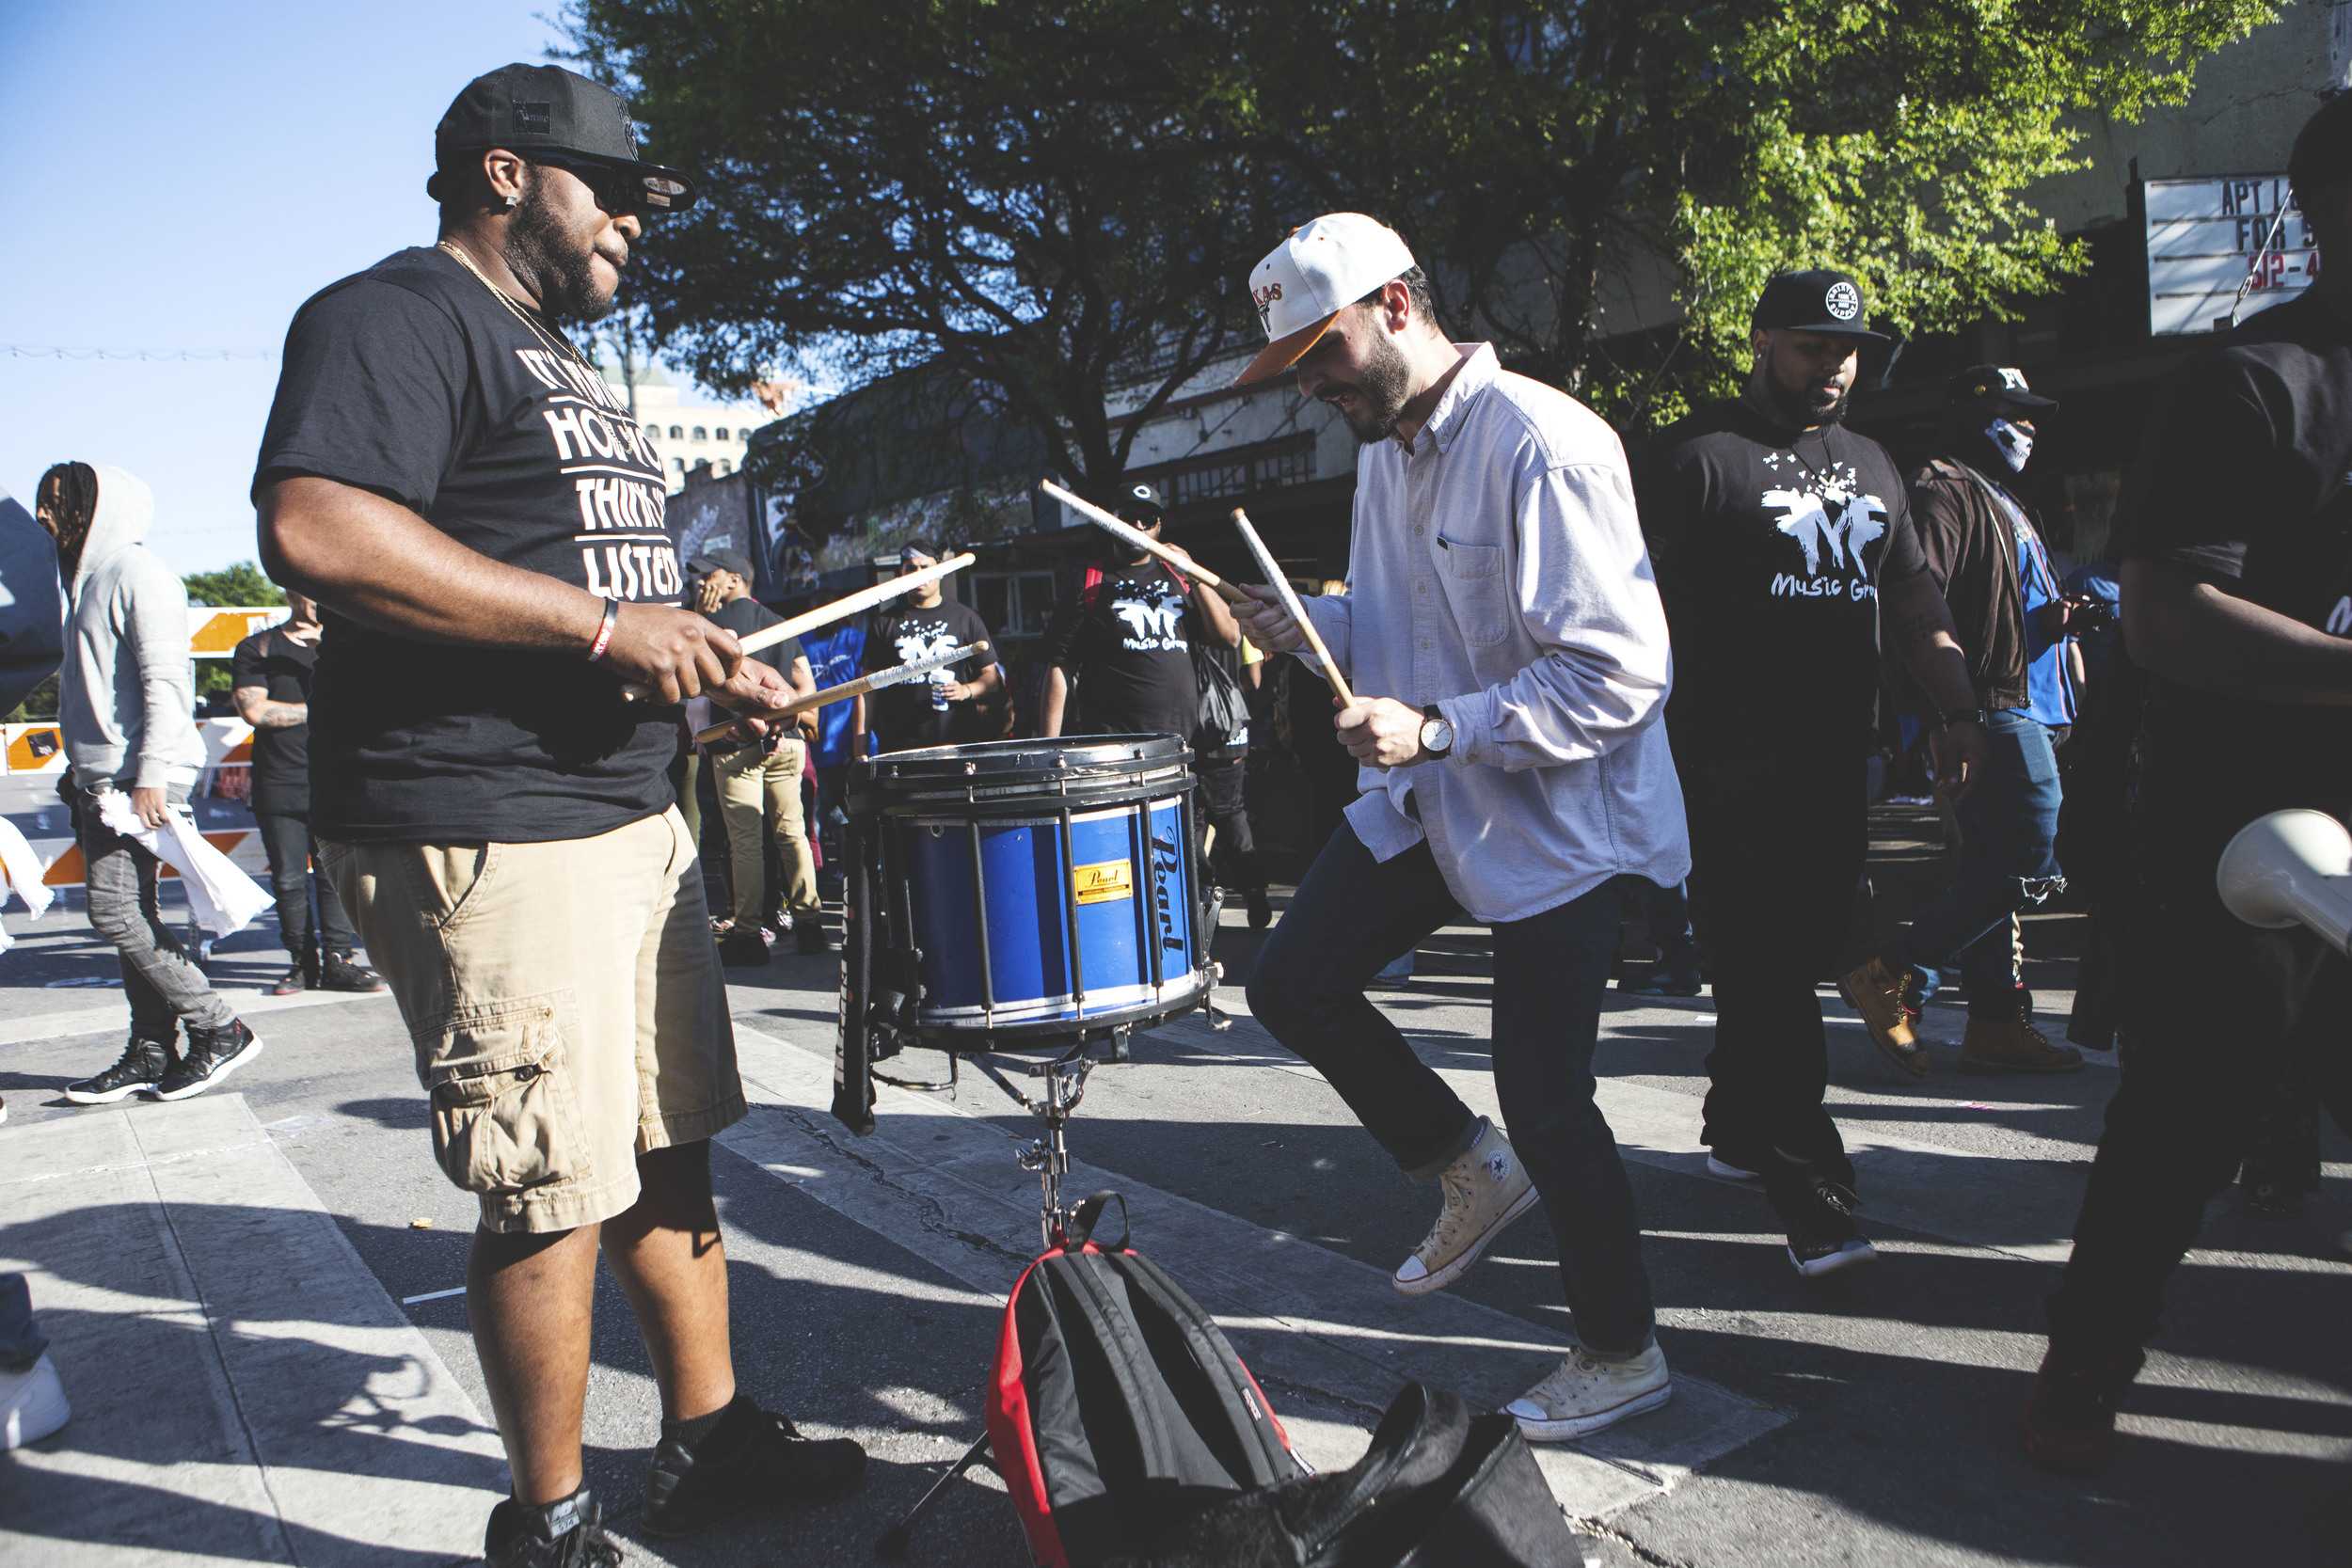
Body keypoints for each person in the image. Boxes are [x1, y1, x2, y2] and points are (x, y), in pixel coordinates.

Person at [251, 63, 864, 1565]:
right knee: (549, 1179)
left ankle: (708, 1438)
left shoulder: (570, 366)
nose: (636, 232)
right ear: (508, 175)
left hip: (620, 809)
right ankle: (550, 1516)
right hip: (488, 818)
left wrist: (706, 669)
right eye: (617, 197)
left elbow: (600, 595)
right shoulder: (394, 314)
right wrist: (603, 629)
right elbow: (316, 525)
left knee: (666, 1144)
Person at [1232, 214, 1690, 1442]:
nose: (1314, 388)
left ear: (1394, 304)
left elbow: (1621, 676)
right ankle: (1461, 1161)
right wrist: (1307, 624)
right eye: (1294, 369)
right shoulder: (1389, 451)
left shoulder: (1545, 442)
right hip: (1441, 796)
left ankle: (1620, 1348)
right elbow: (1406, 632)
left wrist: (1433, 729)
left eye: (1320, 355)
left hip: (1561, 809)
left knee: (1548, 1096)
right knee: (1292, 977)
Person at [2021, 96, 2352, 1476]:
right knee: (2180, 1117)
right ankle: (2082, 1374)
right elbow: (2163, 615)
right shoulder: (2257, 382)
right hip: (2249, 835)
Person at [1634, 268, 1988, 1277]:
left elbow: (1913, 596)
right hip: (1725, 757)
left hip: (1841, 758)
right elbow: (1628, 612)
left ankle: (1739, 1128)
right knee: (1768, 961)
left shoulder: (1872, 462)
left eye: (1847, 349)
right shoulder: (1697, 456)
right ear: (1760, 342)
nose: (1833, 365)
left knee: (1787, 958)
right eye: (1810, 345)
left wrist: (1955, 706)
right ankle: (1812, 1185)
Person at [1838, 368, 2082, 1072]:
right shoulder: (1944, 488)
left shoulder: (2001, 497)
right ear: (1977, 416)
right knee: (2032, 851)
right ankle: (1899, 970)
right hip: (1992, 708)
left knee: (1988, 867)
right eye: (2016, 415)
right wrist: (1945, 714)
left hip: (2026, 705)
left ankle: (1997, 1022)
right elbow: (1919, 606)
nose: (2029, 429)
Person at [40, 462, 262, 1106]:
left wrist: (154, 775)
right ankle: (152, 1048)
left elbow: (167, 684)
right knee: (133, 913)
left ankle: (220, 1026)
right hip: (102, 778)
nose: (43, 516)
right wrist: (76, 770)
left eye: (55, 502)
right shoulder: (83, 583)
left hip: (137, 780)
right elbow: (95, 695)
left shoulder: (138, 573)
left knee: (112, 912)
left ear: (94, 504)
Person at [1037, 481, 1263, 917]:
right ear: (1112, 520)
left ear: (1159, 525)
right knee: (1127, 853)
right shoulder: (1091, 581)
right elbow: (1059, 667)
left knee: (1184, 853)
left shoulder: (1178, 577)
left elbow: (1229, 635)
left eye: (1148, 519)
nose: (1138, 525)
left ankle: (1189, 944)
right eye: (1129, 516)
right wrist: (1048, 747)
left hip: (1182, 746)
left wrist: (1193, 572)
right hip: (1116, 749)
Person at [230, 594, 387, 996]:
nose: (317, 598)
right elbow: (255, 711)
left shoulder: (346, 645)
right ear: (289, 590)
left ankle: (340, 961)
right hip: (280, 781)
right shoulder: (260, 648)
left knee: (336, 875)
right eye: (307, 588)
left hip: (337, 777)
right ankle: (301, 963)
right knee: (288, 878)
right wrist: (321, 707)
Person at [686, 547, 830, 961]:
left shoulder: (706, 626)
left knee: (745, 841)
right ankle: (810, 924)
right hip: (787, 743)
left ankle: (748, 934)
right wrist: (794, 717)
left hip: (733, 742)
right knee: (793, 834)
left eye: (708, 575)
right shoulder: (781, 623)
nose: (701, 582)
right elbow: (806, 684)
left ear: (734, 579)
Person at [849, 542, 996, 755]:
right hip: (900, 748)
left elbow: (992, 679)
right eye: (910, 568)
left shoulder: (965, 618)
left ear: (941, 571)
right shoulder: (884, 623)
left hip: (957, 746)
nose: (918, 574)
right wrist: (859, 751)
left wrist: (966, 691)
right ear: (900, 574)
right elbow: (867, 691)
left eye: (925, 567)